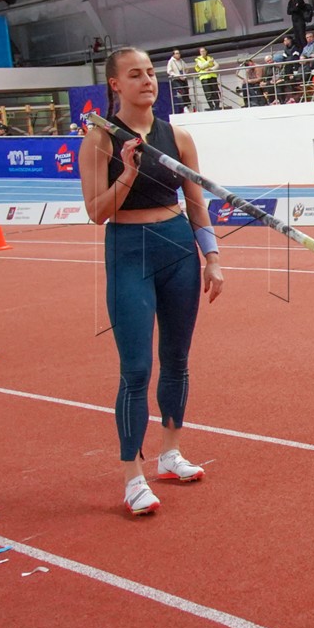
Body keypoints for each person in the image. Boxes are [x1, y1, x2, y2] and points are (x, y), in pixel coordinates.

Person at [82, 48, 224, 517]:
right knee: (137, 369)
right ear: (114, 85)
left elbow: (197, 202)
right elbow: (96, 213)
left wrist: (213, 257)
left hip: (178, 247)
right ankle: (131, 476)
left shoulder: (178, 136)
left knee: (177, 360)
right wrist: (127, 171)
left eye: (150, 73)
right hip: (129, 252)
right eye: (135, 74)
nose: (147, 81)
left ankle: (170, 453)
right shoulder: (99, 138)